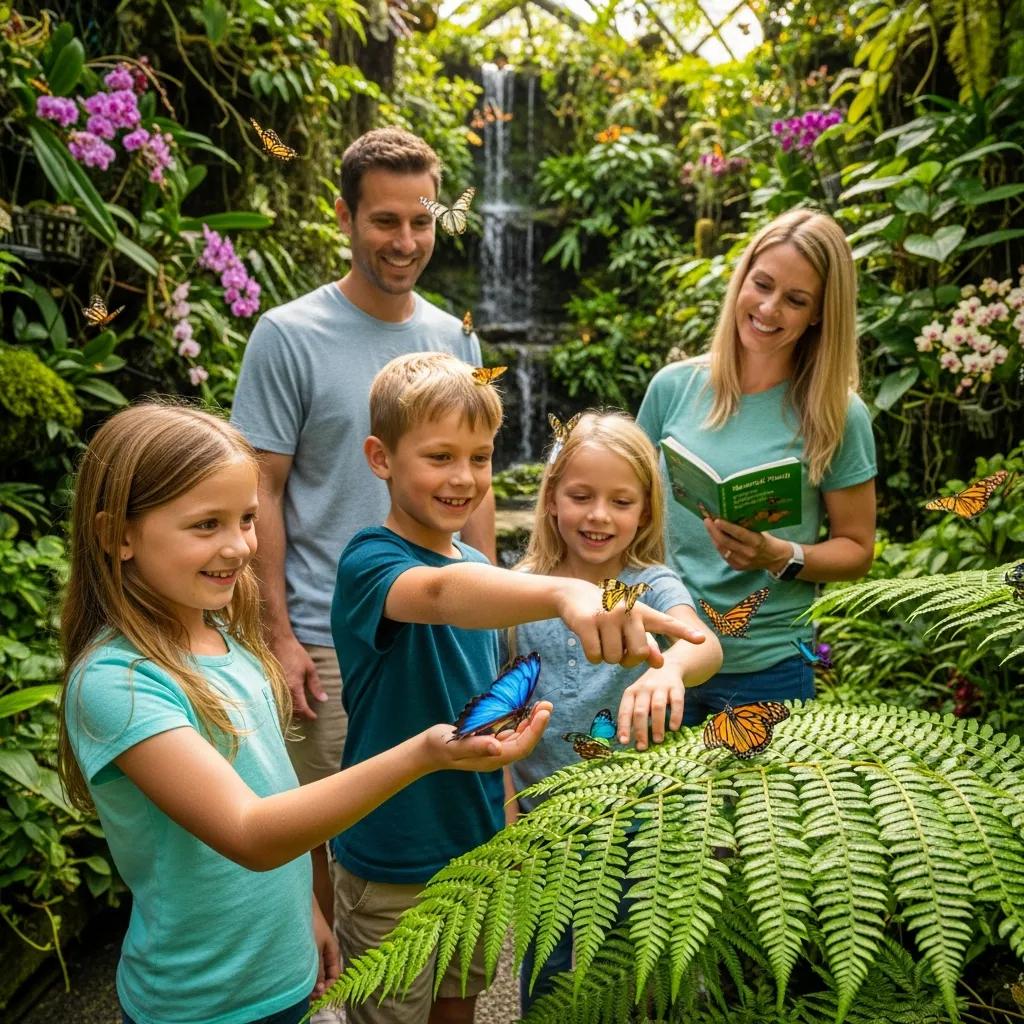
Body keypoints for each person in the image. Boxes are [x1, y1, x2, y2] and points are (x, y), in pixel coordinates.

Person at [58, 402, 550, 1024]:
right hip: (201, 1000)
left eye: (245, 519)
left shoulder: (226, 643)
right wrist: (424, 753)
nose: (239, 547)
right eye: (206, 524)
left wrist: (311, 911)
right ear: (116, 535)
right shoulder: (118, 682)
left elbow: (276, 791)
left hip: (283, 972)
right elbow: (250, 832)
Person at [329, 354, 705, 1024]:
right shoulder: (372, 562)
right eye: (440, 456)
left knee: (459, 1007)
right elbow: (443, 597)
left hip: (477, 848)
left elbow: (498, 692)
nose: (464, 477)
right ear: (380, 458)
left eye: (480, 458)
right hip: (392, 851)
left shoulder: (482, 567)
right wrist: (566, 591)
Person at [230, 127, 493, 938]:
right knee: (327, 820)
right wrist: (275, 634)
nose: (406, 241)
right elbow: (261, 493)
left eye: (421, 220)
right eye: (384, 221)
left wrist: (501, 621)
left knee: (437, 817)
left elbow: (473, 490)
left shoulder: (456, 338)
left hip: (445, 630)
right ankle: (330, 977)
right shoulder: (287, 335)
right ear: (344, 217)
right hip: (328, 639)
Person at [504, 411, 723, 1010]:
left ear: (645, 514)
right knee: (549, 967)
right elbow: (503, 699)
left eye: (620, 501)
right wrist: (506, 803)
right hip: (547, 820)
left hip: (644, 818)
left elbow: (703, 642)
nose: (598, 515)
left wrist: (673, 668)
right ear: (551, 500)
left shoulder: (651, 584)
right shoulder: (522, 589)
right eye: (581, 496)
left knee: (639, 969)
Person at [637, 208, 877, 724]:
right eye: (761, 284)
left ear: (819, 314)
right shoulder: (672, 388)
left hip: (767, 669)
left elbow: (857, 550)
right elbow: (628, 508)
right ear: (741, 278)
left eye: (795, 300)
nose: (768, 309)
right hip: (659, 659)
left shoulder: (836, 413)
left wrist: (779, 554)